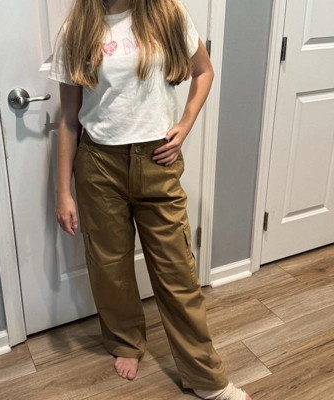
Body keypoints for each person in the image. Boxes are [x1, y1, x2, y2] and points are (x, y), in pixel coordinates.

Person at [48, 1, 253, 399]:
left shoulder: (167, 13)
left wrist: (185, 123)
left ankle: (206, 378)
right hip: (99, 165)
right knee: (110, 266)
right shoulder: (78, 27)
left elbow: (204, 70)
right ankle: (126, 341)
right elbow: (69, 119)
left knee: (178, 273)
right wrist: (62, 192)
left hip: (157, 160)